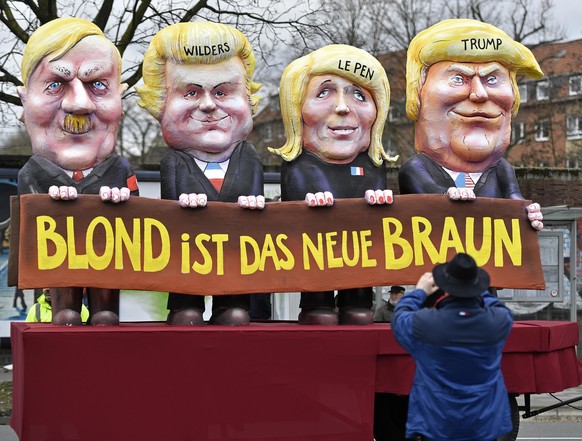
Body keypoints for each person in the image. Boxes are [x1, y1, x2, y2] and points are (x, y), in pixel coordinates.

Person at [137, 22, 265, 326]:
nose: (208, 105)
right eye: (191, 92)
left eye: (222, 91)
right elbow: (171, 207)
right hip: (188, 256)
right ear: (161, 103)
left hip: (237, 254)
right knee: (187, 307)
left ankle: (232, 304)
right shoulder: (174, 162)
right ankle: (184, 304)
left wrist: (255, 202)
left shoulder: (249, 158)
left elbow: (258, 197)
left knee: (235, 308)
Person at [17, 18, 139, 326]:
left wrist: (126, 200)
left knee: (107, 315)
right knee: (66, 314)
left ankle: (105, 309)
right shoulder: (33, 173)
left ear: (119, 100)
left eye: (98, 84)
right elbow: (28, 231)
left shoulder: (120, 168)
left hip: (107, 262)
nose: (79, 104)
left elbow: (141, 219)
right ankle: (64, 308)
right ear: (25, 101)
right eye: (55, 85)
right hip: (60, 269)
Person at [270, 44, 396, 325]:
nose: (342, 107)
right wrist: (309, 200)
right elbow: (296, 199)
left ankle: (357, 299)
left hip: (359, 246)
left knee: (360, 270)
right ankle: (317, 301)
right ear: (297, 108)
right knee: (318, 270)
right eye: (324, 93)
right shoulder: (299, 163)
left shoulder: (372, 162)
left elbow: (376, 200)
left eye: (359, 95)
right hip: (318, 246)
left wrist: (378, 198)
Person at [398, 19, 544, 231]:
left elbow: (514, 202)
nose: (479, 94)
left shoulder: (501, 170)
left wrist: (528, 214)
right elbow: (427, 195)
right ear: (418, 96)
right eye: (458, 78)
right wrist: (448, 196)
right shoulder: (416, 168)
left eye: (492, 79)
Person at [392, 253, 514, 440]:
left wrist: (420, 291)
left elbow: (400, 316)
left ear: (445, 288)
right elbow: (499, 307)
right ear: (477, 287)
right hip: (484, 422)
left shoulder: (425, 323)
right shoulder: (497, 322)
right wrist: (476, 289)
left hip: (437, 422)